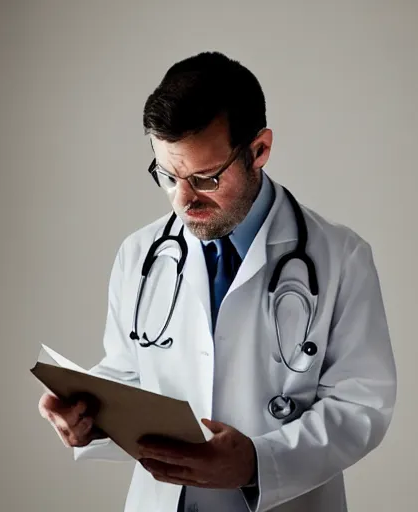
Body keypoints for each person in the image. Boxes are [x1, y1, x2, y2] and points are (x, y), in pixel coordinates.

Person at [38, 51, 397, 512]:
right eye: (168, 176)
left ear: (259, 150)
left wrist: (256, 463)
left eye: (206, 178)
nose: (183, 201)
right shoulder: (140, 254)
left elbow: (361, 405)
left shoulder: (340, 257)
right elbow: (130, 372)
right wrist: (87, 414)